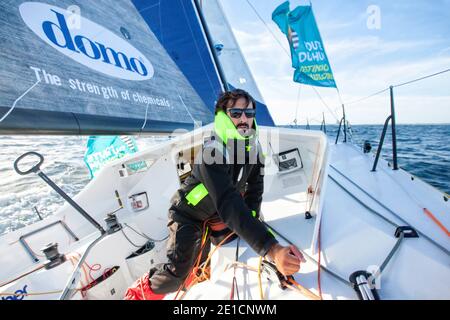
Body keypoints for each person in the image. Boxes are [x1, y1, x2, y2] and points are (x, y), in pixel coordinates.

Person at [124, 89, 303, 300]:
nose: (244, 119)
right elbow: (228, 202)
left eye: (249, 113)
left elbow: (255, 190)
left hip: (214, 217)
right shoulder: (213, 152)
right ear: (222, 116)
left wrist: (254, 220)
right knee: (178, 275)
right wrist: (272, 249)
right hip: (187, 216)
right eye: (236, 114)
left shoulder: (254, 148)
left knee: (203, 272)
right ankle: (138, 292)